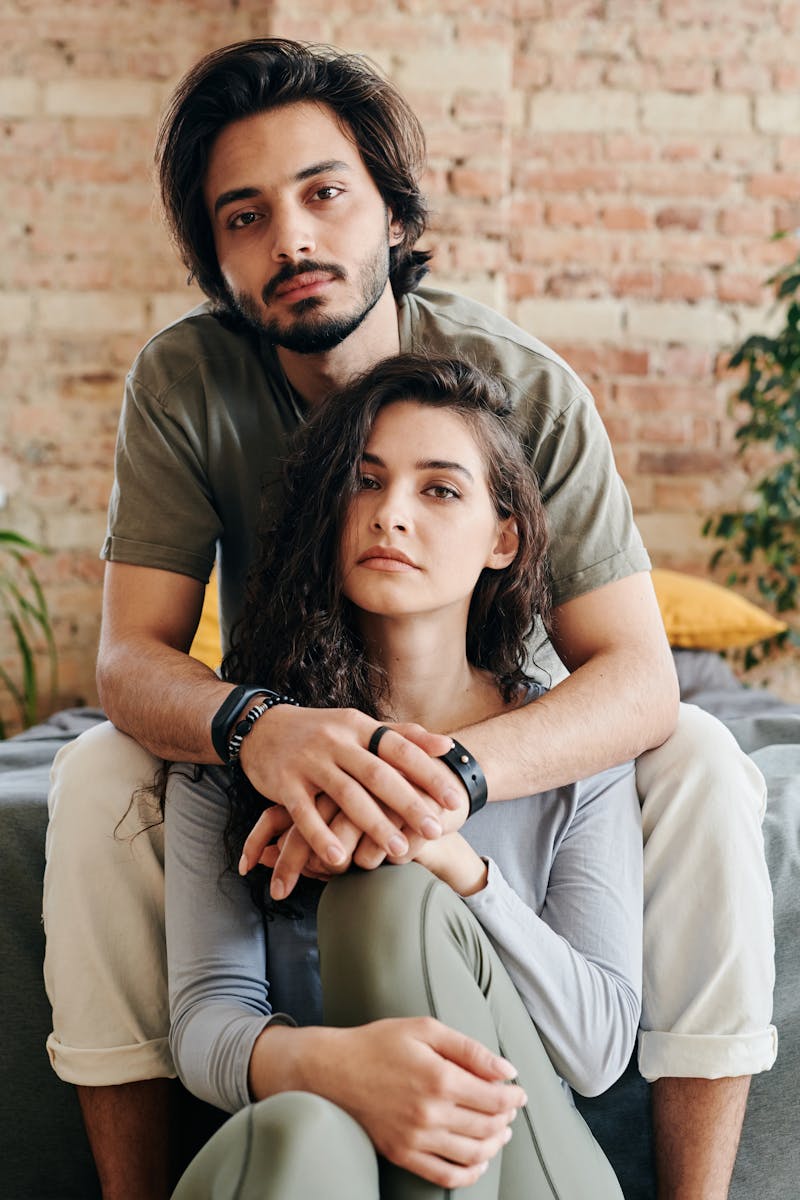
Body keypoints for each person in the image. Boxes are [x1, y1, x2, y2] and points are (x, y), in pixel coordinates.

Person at [41, 37, 775, 1200]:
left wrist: (434, 787)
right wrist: (258, 732)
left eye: (324, 194)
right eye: (243, 217)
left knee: (700, 758)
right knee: (90, 775)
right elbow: (131, 656)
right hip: (289, 713)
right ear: (215, 260)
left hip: (500, 748)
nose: (290, 238)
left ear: (390, 214)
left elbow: (636, 677)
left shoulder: (522, 389)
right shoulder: (185, 382)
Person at [165, 353, 643, 1200]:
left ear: (506, 537)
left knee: (386, 897)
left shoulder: (573, 752)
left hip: (531, 1164)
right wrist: (335, 1067)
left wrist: (441, 850)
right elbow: (206, 1023)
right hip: (327, 1161)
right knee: (299, 1128)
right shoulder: (250, 749)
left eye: (440, 490)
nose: (390, 515)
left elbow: (599, 1051)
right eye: (365, 481)